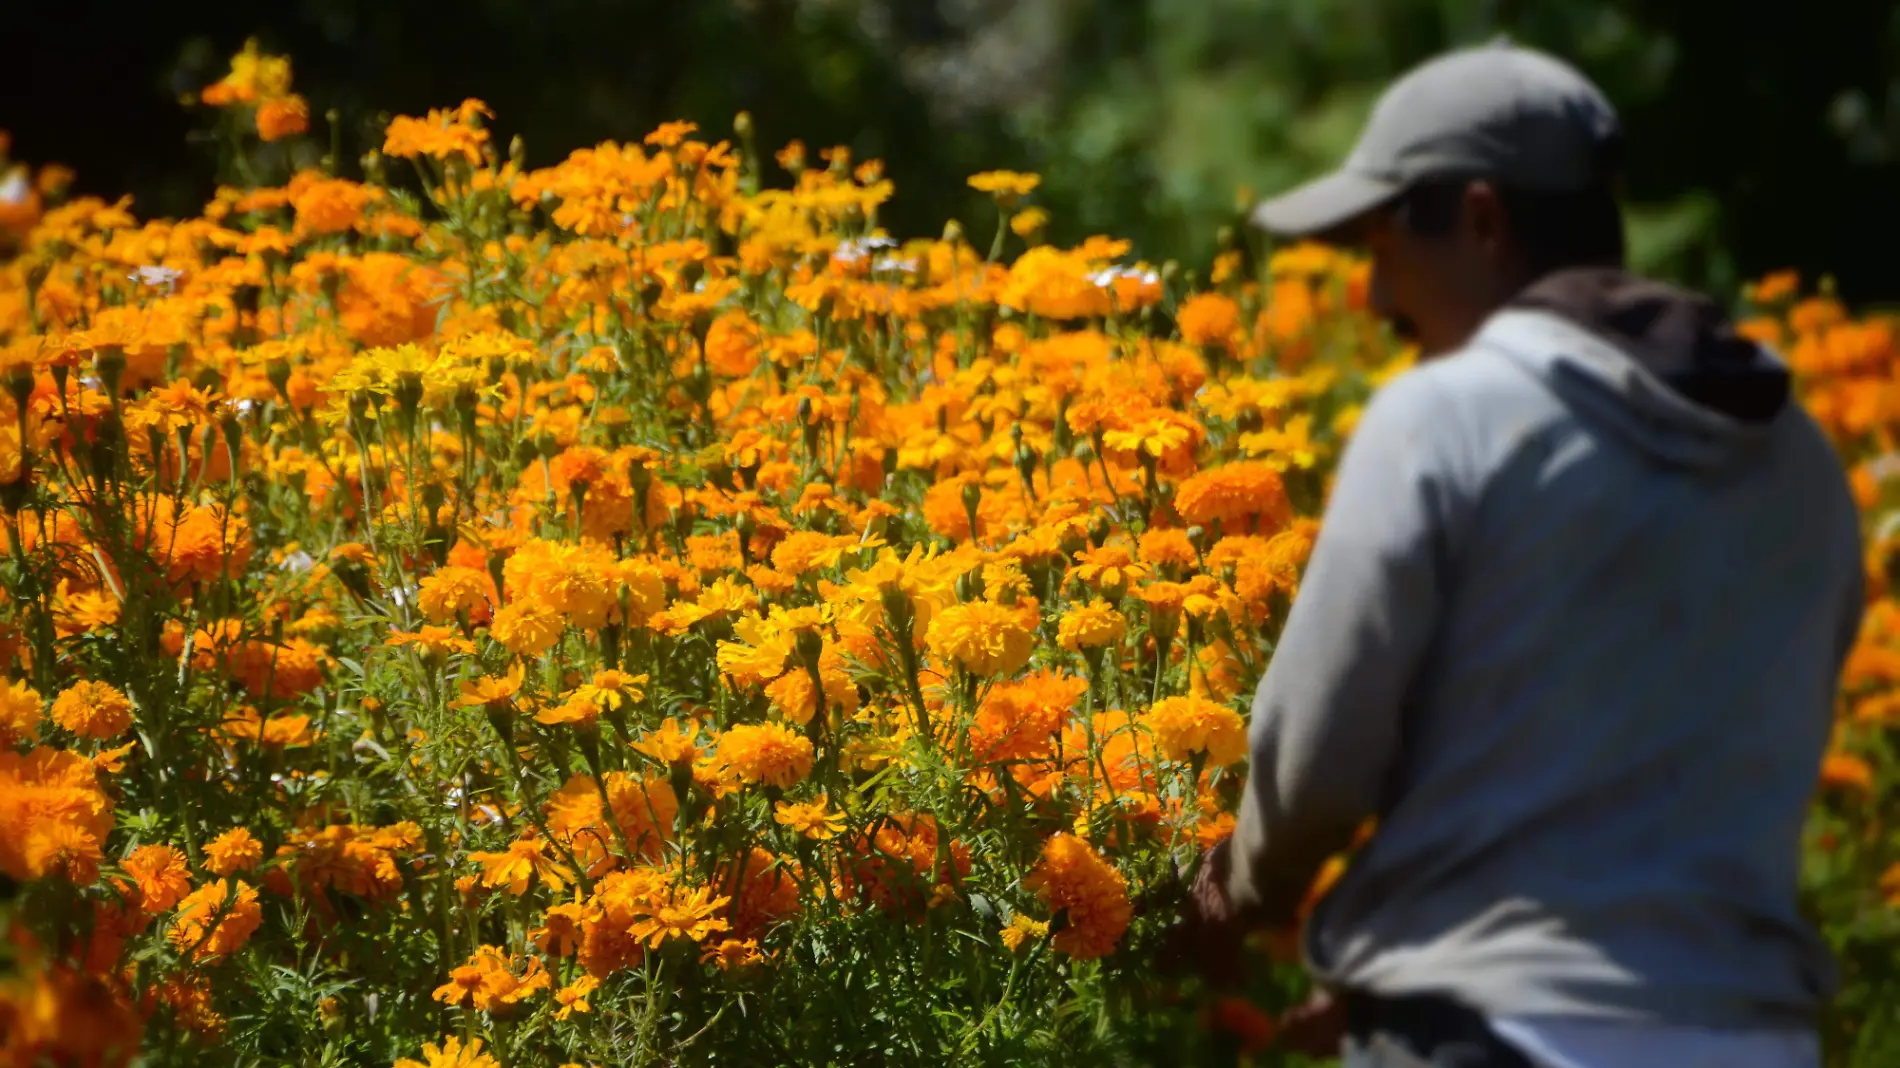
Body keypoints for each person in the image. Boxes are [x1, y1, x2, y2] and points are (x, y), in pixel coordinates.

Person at [1175, 39, 1864, 1068]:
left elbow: (1315, 760)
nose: (1372, 300)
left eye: (1382, 249)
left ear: (1482, 221)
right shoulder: (1793, 452)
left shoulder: (1447, 416)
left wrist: (1238, 897)